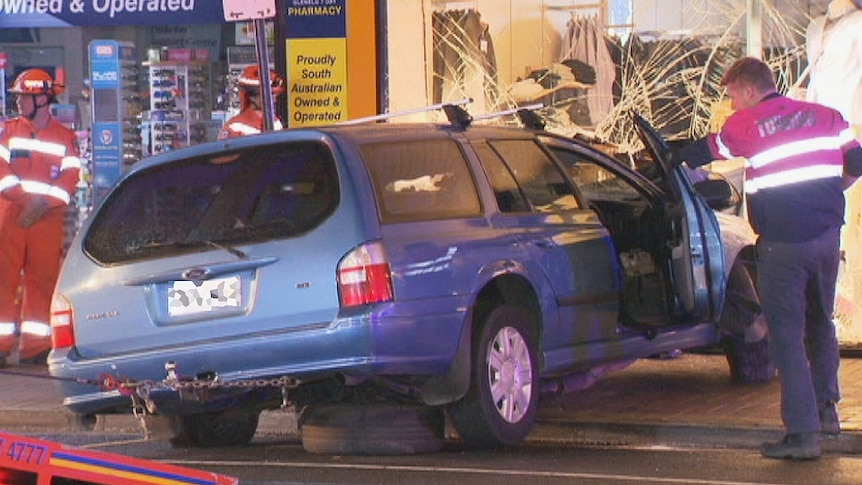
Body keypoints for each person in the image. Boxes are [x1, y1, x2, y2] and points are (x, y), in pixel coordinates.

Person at [677, 57, 862, 460]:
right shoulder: (826, 116)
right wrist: (831, 195)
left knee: (787, 335)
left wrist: (668, 157)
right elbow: (856, 162)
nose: (730, 106)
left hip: (783, 245)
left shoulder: (745, 126)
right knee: (821, 322)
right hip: (827, 238)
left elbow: (705, 151)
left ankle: (801, 436)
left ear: (747, 90)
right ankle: (826, 411)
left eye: (731, 97)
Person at [0, 69, 82, 366]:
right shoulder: (7, 131)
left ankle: (36, 347)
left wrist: (43, 204)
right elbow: (1, 170)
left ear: (42, 98)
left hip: (45, 220)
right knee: (2, 280)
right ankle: (1, 344)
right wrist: (25, 201)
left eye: (23, 97)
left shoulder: (65, 137)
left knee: (41, 281)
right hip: (12, 216)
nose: (19, 103)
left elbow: (71, 177)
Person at [218, 66, 285, 139]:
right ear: (251, 97)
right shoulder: (234, 128)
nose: (273, 100)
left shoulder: (276, 123)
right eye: (269, 95)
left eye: (274, 95)